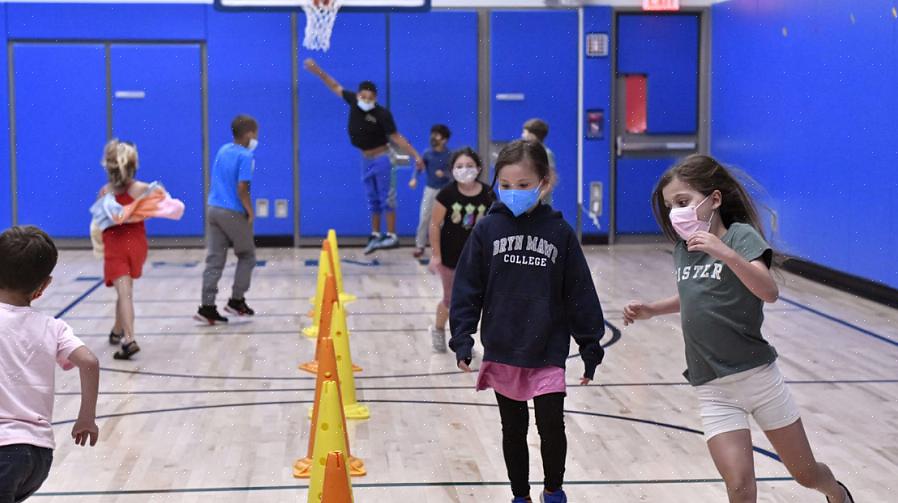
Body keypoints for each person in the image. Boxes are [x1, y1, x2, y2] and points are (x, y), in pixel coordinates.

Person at [623, 154, 854, 503]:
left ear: (714, 199)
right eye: (670, 206)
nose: (675, 213)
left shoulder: (740, 238)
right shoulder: (684, 250)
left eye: (683, 202)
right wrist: (653, 309)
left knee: (806, 474)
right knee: (740, 486)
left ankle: (837, 493)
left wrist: (725, 253)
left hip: (757, 378)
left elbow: (768, 291)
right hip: (712, 386)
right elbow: (698, 294)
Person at [449, 140, 605, 503]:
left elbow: (579, 291)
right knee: (513, 429)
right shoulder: (487, 230)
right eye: (506, 185)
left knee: (551, 426)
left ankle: (554, 492)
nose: (514, 192)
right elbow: (467, 288)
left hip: (547, 347)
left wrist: (590, 343)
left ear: (543, 183)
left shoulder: (560, 233)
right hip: (503, 345)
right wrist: (462, 337)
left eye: (523, 185)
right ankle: (520, 496)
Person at [0, 225, 100, 502]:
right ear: (44, 286)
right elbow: (89, 362)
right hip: (37, 456)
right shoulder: (53, 328)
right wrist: (86, 418)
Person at [304, 58, 424, 254]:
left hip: (383, 157)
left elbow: (396, 136)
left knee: (387, 197)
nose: (366, 100)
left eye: (370, 97)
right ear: (358, 94)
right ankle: (375, 235)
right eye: (363, 96)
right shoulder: (353, 101)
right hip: (365, 159)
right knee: (372, 198)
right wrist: (317, 70)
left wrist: (415, 155)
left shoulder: (382, 114)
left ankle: (391, 236)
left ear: (375, 98)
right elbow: (334, 85)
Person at [427, 147, 493, 352]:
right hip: (450, 259)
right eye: (460, 166)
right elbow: (434, 224)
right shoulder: (447, 194)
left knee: (470, 303)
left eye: (469, 165)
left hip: (477, 260)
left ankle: (462, 339)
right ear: (452, 170)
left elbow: (495, 224)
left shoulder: (488, 194)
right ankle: (439, 330)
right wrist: (436, 255)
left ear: (479, 168)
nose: (465, 170)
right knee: (451, 300)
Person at [197, 115, 259, 325]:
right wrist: (250, 210)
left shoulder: (223, 150)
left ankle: (207, 307)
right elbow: (242, 187)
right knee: (247, 255)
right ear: (249, 134)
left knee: (215, 260)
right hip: (232, 211)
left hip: (213, 208)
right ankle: (236, 300)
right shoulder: (245, 155)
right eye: (255, 134)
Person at [97, 140, 148, 359]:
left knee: (124, 292)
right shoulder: (141, 189)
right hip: (137, 245)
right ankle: (117, 330)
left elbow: (101, 222)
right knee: (124, 290)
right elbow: (162, 204)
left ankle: (129, 338)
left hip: (116, 246)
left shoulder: (105, 192)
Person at [410, 124, 453, 259]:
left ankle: (441, 247)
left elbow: (453, 173)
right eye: (433, 134)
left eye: (437, 135)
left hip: (444, 191)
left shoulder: (449, 155)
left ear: (444, 140)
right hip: (430, 190)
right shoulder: (427, 153)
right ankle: (420, 245)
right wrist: (414, 178)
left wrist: (445, 174)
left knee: (443, 221)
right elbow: (419, 167)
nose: (433, 137)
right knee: (424, 217)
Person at [522, 118, 557, 201]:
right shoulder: (527, 152)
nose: (522, 135)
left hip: (540, 204)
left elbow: (550, 179)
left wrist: (537, 199)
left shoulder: (546, 153)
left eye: (524, 132)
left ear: (533, 135)